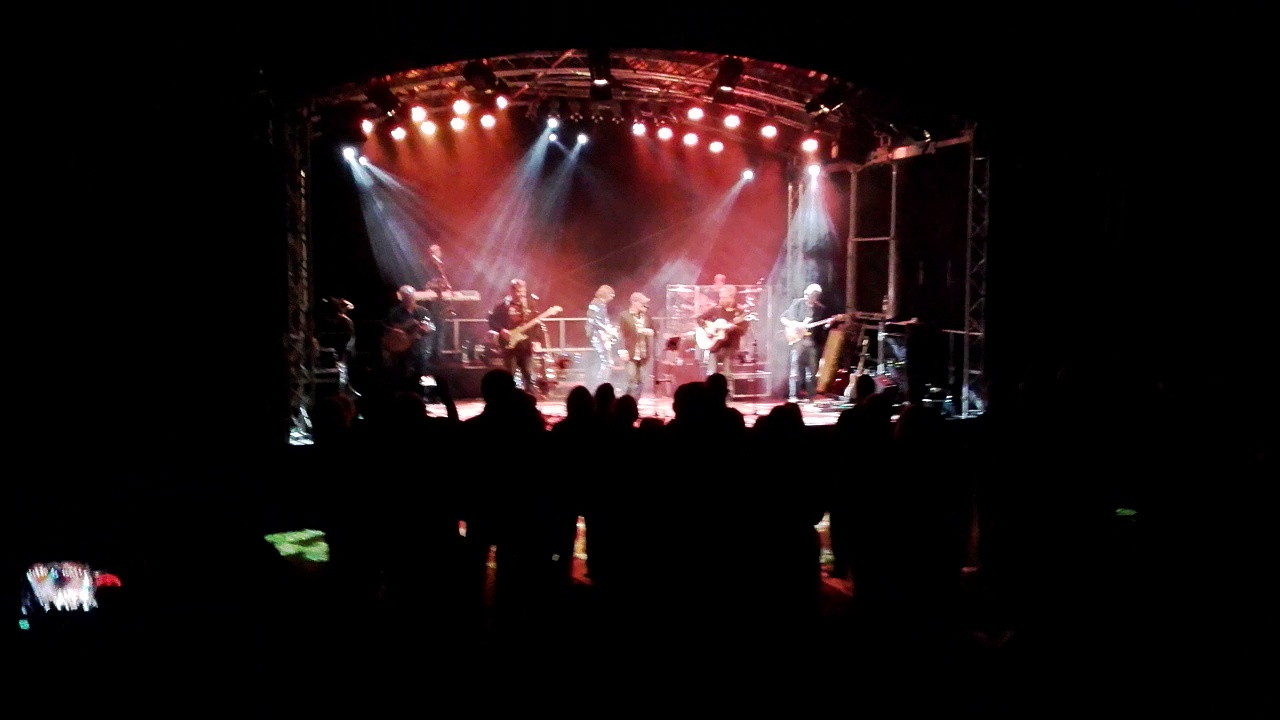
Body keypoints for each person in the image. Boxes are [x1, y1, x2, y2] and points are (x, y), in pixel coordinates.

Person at [487, 278, 547, 394]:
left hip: (525, 345)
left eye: (521, 290)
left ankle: (530, 398)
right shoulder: (502, 306)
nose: (518, 294)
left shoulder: (530, 306)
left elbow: (536, 324)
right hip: (508, 344)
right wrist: (502, 330)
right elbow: (492, 321)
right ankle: (510, 397)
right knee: (510, 373)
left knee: (528, 373)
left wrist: (536, 341)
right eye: (516, 290)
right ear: (511, 291)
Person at [781, 283, 831, 402]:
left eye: (809, 294)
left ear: (816, 296)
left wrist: (828, 324)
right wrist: (794, 324)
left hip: (812, 343)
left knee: (812, 371)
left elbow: (822, 328)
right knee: (795, 369)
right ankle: (793, 395)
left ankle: (811, 397)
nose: (806, 295)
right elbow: (783, 318)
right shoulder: (797, 304)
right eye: (806, 293)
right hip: (797, 340)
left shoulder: (820, 309)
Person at [697, 284, 751, 395]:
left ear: (732, 297)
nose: (721, 299)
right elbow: (700, 319)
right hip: (715, 345)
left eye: (724, 297)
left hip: (730, 346)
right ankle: (710, 394)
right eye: (720, 297)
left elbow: (743, 331)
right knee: (711, 371)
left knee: (727, 372)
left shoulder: (740, 312)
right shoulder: (716, 309)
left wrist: (734, 327)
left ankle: (728, 395)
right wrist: (709, 328)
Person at [383, 285, 435, 395]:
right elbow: (390, 328)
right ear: (402, 298)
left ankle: (426, 395)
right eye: (406, 297)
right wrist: (405, 327)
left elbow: (432, 326)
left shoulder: (423, 311)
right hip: (403, 348)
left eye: (410, 297)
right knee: (403, 372)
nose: (409, 299)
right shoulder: (395, 312)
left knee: (424, 371)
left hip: (420, 347)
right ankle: (405, 395)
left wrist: (426, 328)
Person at [616, 292, 655, 399]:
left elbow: (654, 331)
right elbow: (620, 334)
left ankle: (636, 401)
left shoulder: (646, 317)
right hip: (631, 353)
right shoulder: (624, 316)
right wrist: (622, 350)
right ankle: (628, 400)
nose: (645, 305)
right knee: (631, 378)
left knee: (642, 379)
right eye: (642, 303)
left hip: (643, 354)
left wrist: (649, 332)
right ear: (634, 302)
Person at [419, 244, 452, 370]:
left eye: (437, 251)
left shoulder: (442, 266)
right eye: (434, 251)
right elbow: (426, 283)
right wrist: (438, 286)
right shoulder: (426, 265)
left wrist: (446, 287)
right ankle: (427, 355)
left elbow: (444, 282)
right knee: (430, 328)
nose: (437, 253)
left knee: (440, 328)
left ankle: (438, 355)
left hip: (440, 302)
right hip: (430, 302)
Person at [584, 284, 617, 390]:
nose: (612, 298)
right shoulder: (596, 303)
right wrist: (607, 329)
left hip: (599, 335)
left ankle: (600, 384)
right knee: (604, 361)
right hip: (597, 336)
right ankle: (599, 384)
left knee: (604, 361)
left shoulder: (600, 304)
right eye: (611, 295)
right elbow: (594, 320)